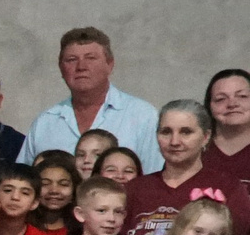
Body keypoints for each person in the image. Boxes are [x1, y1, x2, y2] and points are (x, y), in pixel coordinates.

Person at [121, 100, 250, 235]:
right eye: (166, 132)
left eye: (186, 132)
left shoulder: (228, 187)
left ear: (205, 137)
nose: (174, 141)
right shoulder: (136, 189)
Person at [19, 27, 161, 171]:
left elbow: (154, 177)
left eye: (91, 58)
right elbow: (23, 179)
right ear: (61, 68)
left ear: (110, 64)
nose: (81, 67)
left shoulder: (142, 116)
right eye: (72, 60)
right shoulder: (45, 123)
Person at [202, 69, 250, 206]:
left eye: (242, 96)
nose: (232, 104)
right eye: (221, 99)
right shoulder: (194, 155)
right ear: (209, 108)